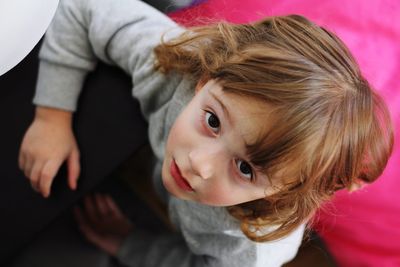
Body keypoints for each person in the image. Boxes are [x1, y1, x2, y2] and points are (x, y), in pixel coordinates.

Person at [18, 0, 393, 266]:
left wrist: (130, 244)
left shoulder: (252, 251)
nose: (198, 164)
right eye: (213, 122)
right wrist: (53, 117)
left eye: (245, 169)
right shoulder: (177, 66)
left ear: (284, 193)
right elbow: (84, 8)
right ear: (207, 78)